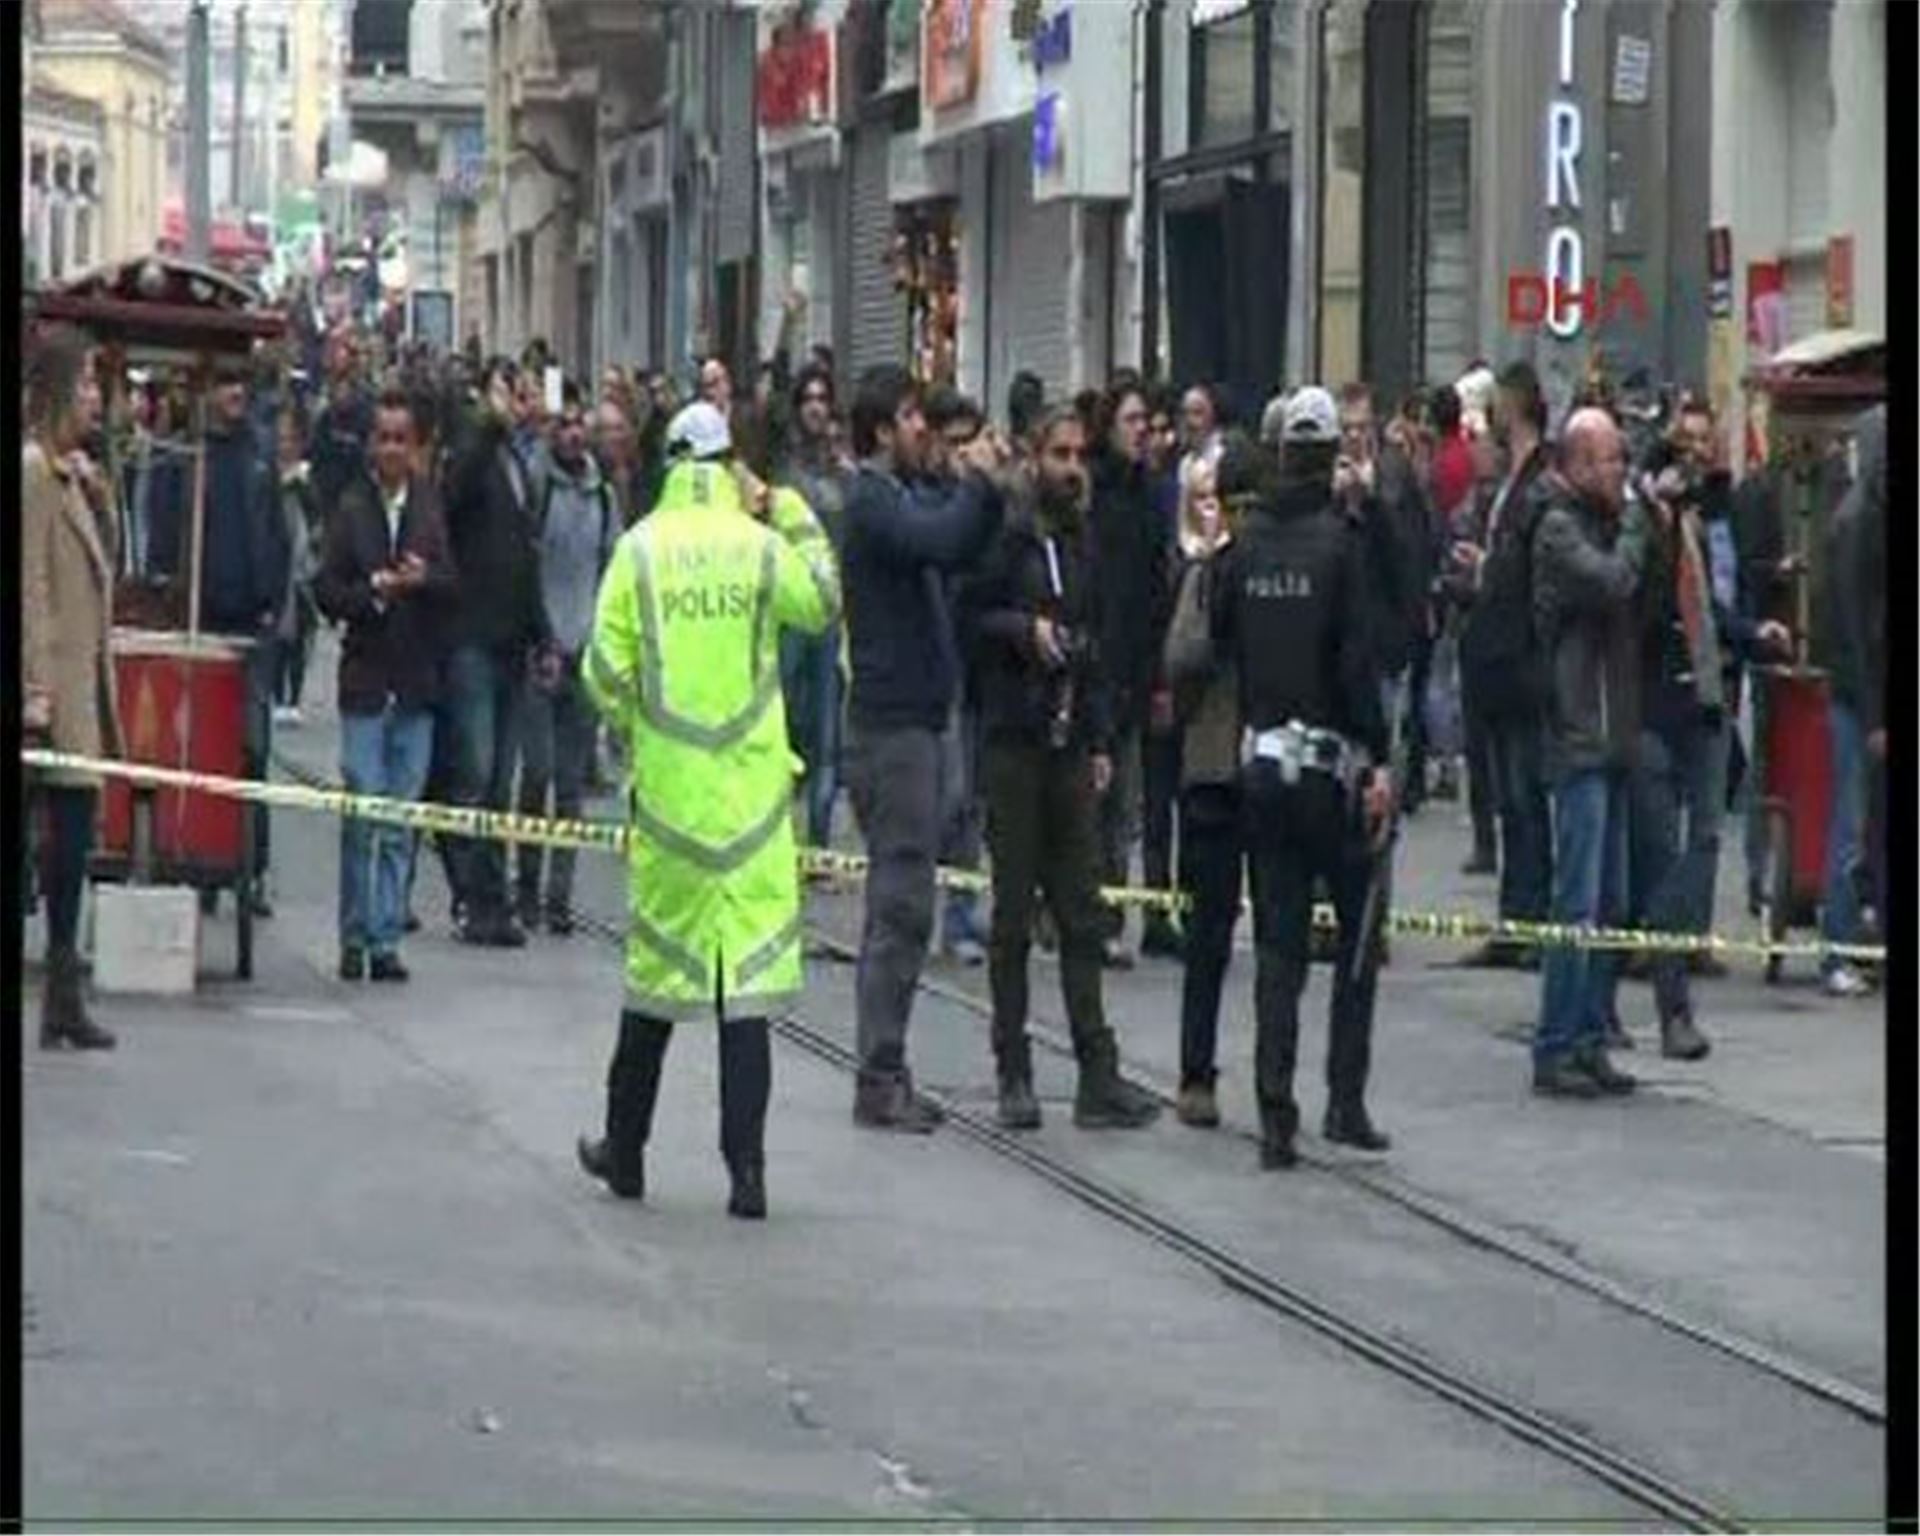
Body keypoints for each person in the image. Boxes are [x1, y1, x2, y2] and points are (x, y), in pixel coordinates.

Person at [575, 401, 841, 1220]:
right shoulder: (761, 546)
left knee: (655, 982)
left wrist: (638, 732)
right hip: (753, 804)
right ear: (731, 465)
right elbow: (822, 601)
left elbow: (602, 667)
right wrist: (788, 507)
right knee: (745, 992)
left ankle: (626, 1154)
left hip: (671, 801)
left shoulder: (640, 550)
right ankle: (747, 1176)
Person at [958, 404, 1161, 1133]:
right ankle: (1013, 1069)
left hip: (1072, 746)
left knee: (1081, 912)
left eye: (1080, 454)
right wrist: (1023, 631)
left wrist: (1102, 738)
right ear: (1035, 460)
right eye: (1061, 454)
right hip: (1014, 744)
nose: (1073, 468)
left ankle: (1097, 1075)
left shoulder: (1085, 543)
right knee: (1013, 917)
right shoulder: (1006, 539)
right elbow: (970, 619)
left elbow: (1098, 641)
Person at [1209, 387, 1395, 1167]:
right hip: (1334, 770)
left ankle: (1274, 1112)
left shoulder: (1245, 545)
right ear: (1334, 459)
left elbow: (1221, 638)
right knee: (1354, 942)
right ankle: (1344, 1101)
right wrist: (1379, 755)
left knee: (1278, 947)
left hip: (1261, 764)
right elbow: (1360, 662)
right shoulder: (1341, 546)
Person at [841, 365, 1008, 1132]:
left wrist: (984, 491)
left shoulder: (903, 495)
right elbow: (936, 539)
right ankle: (879, 1073)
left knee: (909, 895)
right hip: (891, 728)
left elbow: (960, 547)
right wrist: (973, 486)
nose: (924, 430)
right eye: (912, 418)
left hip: (920, 722)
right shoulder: (872, 502)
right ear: (882, 429)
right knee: (901, 902)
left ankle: (888, 1066)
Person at [313, 391, 455, 982]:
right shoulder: (351, 508)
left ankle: (386, 937)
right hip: (367, 681)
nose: (392, 448)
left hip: (416, 684)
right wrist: (371, 590)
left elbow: (454, 585)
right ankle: (354, 934)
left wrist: (426, 581)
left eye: (402, 438)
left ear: (416, 447)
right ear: (372, 445)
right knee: (363, 808)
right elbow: (326, 591)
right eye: (384, 437)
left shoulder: (429, 507)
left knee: (400, 821)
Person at [1528, 408, 1648, 1099]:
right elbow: (1612, 581)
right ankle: (1557, 1043)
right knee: (1576, 897)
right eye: (1608, 461)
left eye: (1623, 460)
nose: (1621, 473)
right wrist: (1634, 519)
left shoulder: (1600, 521)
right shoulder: (1558, 529)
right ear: (1576, 464)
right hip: (1578, 736)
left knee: (1612, 897)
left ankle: (1592, 1034)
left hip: (1614, 733)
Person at [23, 328, 122, 1050]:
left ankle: (63, 988)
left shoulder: (69, 475)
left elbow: (102, 567)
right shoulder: (32, 472)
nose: (97, 397)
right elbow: (29, 583)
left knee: (74, 845)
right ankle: (59, 987)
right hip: (49, 692)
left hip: (80, 686)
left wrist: (99, 494)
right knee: (49, 844)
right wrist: (32, 686)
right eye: (87, 384)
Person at [441, 358, 549, 947]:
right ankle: (471, 895)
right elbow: (452, 496)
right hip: (472, 640)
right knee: (474, 773)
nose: (518, 401)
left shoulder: (520, 463)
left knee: (499, 781)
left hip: (512, 643)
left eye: (523, 392)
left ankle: (492, 899)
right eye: (508, 389)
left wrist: (542, 633)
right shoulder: (474, 450)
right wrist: (488, 426)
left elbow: (526, 555)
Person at [1453, 361, 1556, 967]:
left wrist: (1490, 570)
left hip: (1523, 665)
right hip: (1498, 662)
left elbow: (1531, 571)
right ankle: (1516, 919)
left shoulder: (1540, 484)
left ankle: (1531, 921)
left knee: (1525, 797)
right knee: (1510, 798)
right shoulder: (1511, 484)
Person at [1161, 441, 1250, 1127]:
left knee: (1211, 933)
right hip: (1252, 764)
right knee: (1254, 934)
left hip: (1217, 764)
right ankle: (1261, 1083)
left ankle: (1199, 1073)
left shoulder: (1212, 573)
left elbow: (1182, 657)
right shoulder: (1214, 572)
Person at [515, 389, 619, 936]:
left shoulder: (602, 495)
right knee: (536, 774)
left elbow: (613, 568)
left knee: (572, 784)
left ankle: (560, 898)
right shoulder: (538, 487)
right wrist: (542, 638)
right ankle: (527, 888)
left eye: (582, 426)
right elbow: (523, 564)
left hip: (584, 653)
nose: (575, 435)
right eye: (566, 426)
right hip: (541, 650)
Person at [1085, 380, 1173, 968]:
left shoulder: (1151, 494)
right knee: (1089, 801)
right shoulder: (1094, 491)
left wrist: (1159, 675)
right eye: (1132, 419)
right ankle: (1081, 911)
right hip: (1095, 664)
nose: (1142, 429)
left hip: (1136, 667)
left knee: (1122, 805)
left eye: (1145, 420)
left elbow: (1155, 588)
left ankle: (1110, 915)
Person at [201, 359, 292, 919]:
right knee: (206, 743)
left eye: (239, 384)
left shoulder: (259, 454)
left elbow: (278, 537)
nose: (233, 393)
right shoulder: (193, 454)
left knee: (253, 750)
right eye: (224, 384)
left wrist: (274, 605)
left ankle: (252, 866)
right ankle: (206, 856)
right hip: (205, 618)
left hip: (251, 624)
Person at [1809, 406, 1884, 997]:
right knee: (1852, 823)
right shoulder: (1860, 521)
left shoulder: (1863, 514)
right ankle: (1835, 946)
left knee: (1865, 821)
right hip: (1859, 697)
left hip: (1866, 692)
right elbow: (1858, 627)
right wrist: (1875, 713)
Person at [924, 387, 993, 965]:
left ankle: (962, 917)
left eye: (971, 442)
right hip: (934, 675)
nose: (963, 454)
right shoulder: (925, 503)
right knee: (942, 801)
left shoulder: (985, 503)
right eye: (954, 443)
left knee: (971, 804)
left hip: (978, 670)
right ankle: (931, 912)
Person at [779, 362, 853, 860]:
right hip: (787, 616)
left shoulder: (843, 474)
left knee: (827, 732)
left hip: (830, 620)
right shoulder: (783, 468)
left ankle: (820, 845)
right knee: (783, 727)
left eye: (823, 398)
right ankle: (778, 836)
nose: (816, 406)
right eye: (807, 397)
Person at [271, 403, 323, 727]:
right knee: (278, 632)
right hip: (277, 566)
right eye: (280, 439)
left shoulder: (307, 479)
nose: (284, 445)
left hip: (302, 570)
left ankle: (294, 696)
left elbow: (318, 519)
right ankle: (278, 694)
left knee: (300, 632)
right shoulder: (266, 474)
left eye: (290, 439)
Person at [309, 328, 373, 527]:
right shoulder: (325, 418)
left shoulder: (366, 413)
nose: (341, 393)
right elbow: (316, 456)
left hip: (358, 502)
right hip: (330, 502)